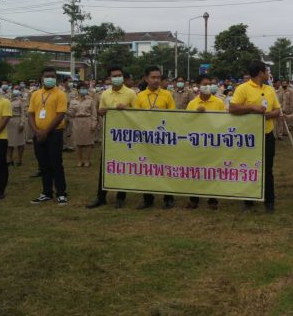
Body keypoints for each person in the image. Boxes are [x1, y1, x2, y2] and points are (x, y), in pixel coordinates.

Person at [229, 60, 281, 212]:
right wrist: (252, 107)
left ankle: (269, 201)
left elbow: (277, 110)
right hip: (249, 138)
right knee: (249, 167)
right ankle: (248, 199)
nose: (268, 74)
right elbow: (233, 108)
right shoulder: (242, 89)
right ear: (260, 73)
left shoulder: (270, 90)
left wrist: (269, 115)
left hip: (267, 134)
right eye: (267, 71)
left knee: (268, 169)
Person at [87, 67, 137, 209]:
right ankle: (101, 197)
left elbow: (138, 113)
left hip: (126, 136)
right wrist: (101, 112)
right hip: (109, 136)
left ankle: (121, 197)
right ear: (109, 78)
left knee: (123, 166)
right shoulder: (105, 94)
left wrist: (127, 109)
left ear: (123, 77)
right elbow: (101, 110)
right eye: (114, 76)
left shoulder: (131, 93)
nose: (117, 78)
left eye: (119, 75)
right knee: (105, 166)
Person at [135, 66, 177, 209]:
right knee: (146, 168)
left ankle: (168, 198)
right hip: (146, 138)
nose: (156, 80)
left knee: (165, 168)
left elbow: (174, 115)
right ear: (146, 79)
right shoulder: (140, 96)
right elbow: (135, 116)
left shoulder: (167, 95)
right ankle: (148, 198)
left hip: (163, 137)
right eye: (153, 77)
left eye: (158, 77)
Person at [28, 67, 69, 205]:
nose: (49, 79)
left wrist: (45, 132)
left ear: (56, 78)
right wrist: (36, 131)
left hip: (54, 134)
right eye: (47, 76)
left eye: (52, 76)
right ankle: (46, 192)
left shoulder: (60, 94)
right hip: (38, 134)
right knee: (43, 164)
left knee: (56, 164)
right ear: (41, 78)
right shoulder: (35, 94)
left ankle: (61, 193)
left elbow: (60, 114)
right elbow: (30, 114)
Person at [185, 74, 226, 210]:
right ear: (198, 86)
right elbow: (186, 122)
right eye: (205, 84)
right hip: (197, 143)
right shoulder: (192, 104)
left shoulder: (219, 102)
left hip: (213, 142)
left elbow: (223, 122)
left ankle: (212, 199)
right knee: (195, 171)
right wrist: (196, 115)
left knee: (213, 171)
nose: (208, 86)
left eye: (210, 84)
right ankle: (194, 199)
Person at [69, 82, 97, 168]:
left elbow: (94, 113)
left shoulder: (90, 100)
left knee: (88, 143)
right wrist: (70, 112)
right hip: (77, 121)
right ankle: (79, 161)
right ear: (78, 90)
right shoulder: (73, 101)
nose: (84, 90)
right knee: (78, 143)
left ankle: (87, 161)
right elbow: (70, 113)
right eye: (82, 88)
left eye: (85, 88)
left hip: (87, 121)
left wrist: (94, 123)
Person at [7, 86, 26, 166]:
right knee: (9, 142)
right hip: (9, 123)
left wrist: (22, 122)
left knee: (20, 142)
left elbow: (23, 113)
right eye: (14, 89)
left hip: (17, 121)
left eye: (17, 89)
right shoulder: (8, 101)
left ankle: (19, 159)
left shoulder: (20, 101)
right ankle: (9, 159)